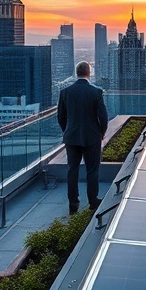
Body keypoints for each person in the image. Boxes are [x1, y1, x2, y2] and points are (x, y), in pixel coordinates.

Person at [57, 61, 109, 214]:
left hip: (71, 137)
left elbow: (61, 116)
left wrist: (67, 131)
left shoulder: (65, 92)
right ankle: (93, 201)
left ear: (77, 72)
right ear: (88, 72)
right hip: (92, 137)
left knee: (72, 170)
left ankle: (73, 203)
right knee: (92, 170)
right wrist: (102, 132)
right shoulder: (96, 92)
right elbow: (103, 117)